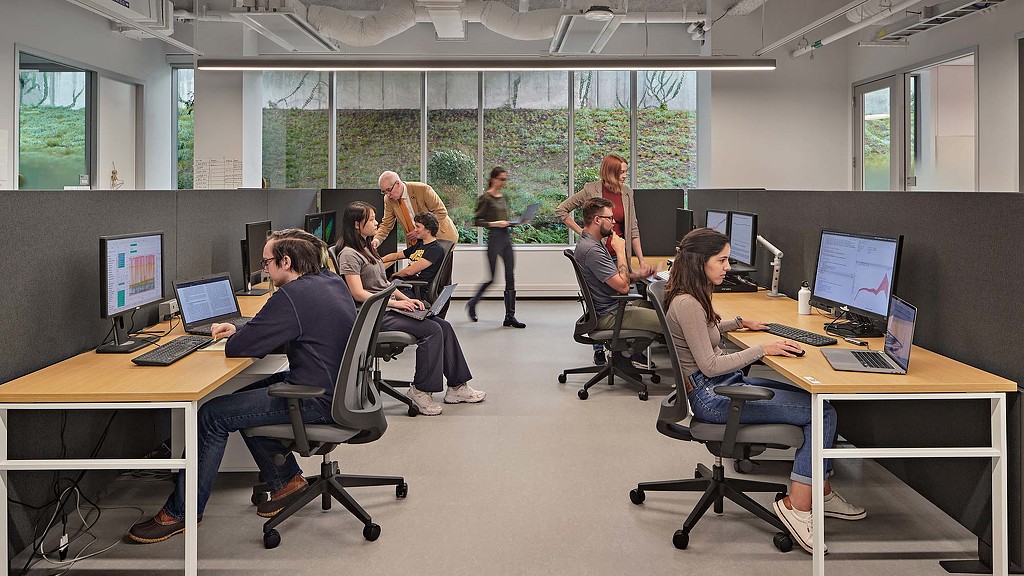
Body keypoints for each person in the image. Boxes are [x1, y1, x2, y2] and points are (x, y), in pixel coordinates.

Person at [128, 229, 357, 543]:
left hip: (315, 400)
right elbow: (276, 326)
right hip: (336, 391)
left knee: (211, 415)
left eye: (266, 264)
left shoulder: (291, 296)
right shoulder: (329, 282)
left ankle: (181, 512)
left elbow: (239, 348)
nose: (265, 271)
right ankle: (287, 481)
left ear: (286, 261)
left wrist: (238, 334)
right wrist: (237, 325)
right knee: (241, 400)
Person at [663, 227, 866, 554]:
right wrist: (763, 349)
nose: (728, 267)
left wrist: (740, 323)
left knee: (815, 399)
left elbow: (704, 333)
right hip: (713, 397)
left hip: (716, 388)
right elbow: (711, 365)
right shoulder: (689, 303)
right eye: (722, 260)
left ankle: (821, 493)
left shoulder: (690, 294)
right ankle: (798, 508)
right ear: (700, 262)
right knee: (822, 411)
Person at [336, 201, 484, 416]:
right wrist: (396, 303)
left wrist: (406, 300)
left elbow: (384, 284)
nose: (377, 222)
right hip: (372, 315)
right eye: (371, 220)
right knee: (432, 331)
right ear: (357, 225)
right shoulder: (349, 254)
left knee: (443, 325)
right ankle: (420, 391)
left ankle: (457, 387)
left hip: (386, 308)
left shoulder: (367, 249)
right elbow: (358, 293)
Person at [557, 154, 650, 365]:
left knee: (616, 296)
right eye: (622, 172)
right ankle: (602, 348)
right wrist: (584, 233)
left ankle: (621, 350)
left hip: (619, 254)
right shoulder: (591, 190)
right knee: (603, 298)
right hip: (600, 252)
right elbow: (561, 210)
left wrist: (641, 260)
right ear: (610, 173)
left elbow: (633, 228)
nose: (625, 176)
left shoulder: (627, 193)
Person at [573, 197, 658, 370]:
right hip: (609, 315)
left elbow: (614, 278)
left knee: (658, 308)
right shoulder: (592, 250)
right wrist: (620, 251)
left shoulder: (592, 243)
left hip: (609, 307)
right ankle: (692, 379)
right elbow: (623, 287)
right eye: (610, 218)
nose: (613, 223)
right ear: (597, 220)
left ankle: (623, 356)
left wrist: (637, 275)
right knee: (671, 323)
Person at [465, 166, 525, 328]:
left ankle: (509, 316)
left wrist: (516, 222)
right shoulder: (486, 198)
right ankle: (472, 303)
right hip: (494, 239)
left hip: (506, 238)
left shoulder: (504, 197)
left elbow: (505, 218)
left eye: (505, 179)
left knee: (510, 276)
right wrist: (495, 223)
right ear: (493, 179)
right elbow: (477, 221)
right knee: (492, 278)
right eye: (501, 179)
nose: (503, 182)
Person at [381, 211, 447, 298]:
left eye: (418, 227)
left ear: (428, 229)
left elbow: (409, 271)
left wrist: (393, 275)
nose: (415, 230)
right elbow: (397, 255)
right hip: (404, 284)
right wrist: (379, 261)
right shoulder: (420, 245)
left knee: (379, 297)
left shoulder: (434, 249)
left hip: (413, 289)